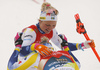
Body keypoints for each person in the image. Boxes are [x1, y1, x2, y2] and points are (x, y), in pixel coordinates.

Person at [7, 2, 95, 70]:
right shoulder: (32, 31)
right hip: (28, 60)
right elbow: (22, 51)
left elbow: (62, 45)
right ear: (40, 21)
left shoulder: (52, 31)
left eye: (53, 25)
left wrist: (82, 45)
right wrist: (35, 46)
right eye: (47, 25)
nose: (50, 28)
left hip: (43, 59)